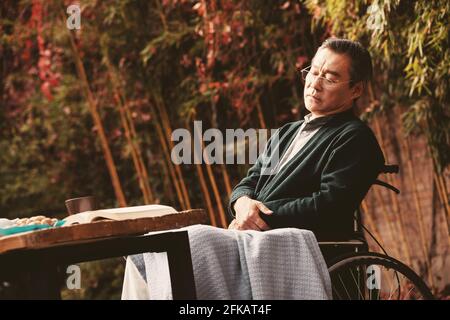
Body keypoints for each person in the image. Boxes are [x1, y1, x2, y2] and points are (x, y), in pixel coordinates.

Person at [228, 38, 385, 242]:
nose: (315, 84)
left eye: (329, 78)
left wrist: (258, 214)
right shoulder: (287, 133)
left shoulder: (354, 138)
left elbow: (329, 205)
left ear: (356, 90)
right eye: (313, 72)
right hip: (253, 236)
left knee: (197, 243)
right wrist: (242, 204)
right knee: (188, 241)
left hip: (296, 244)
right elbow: (251, 179)